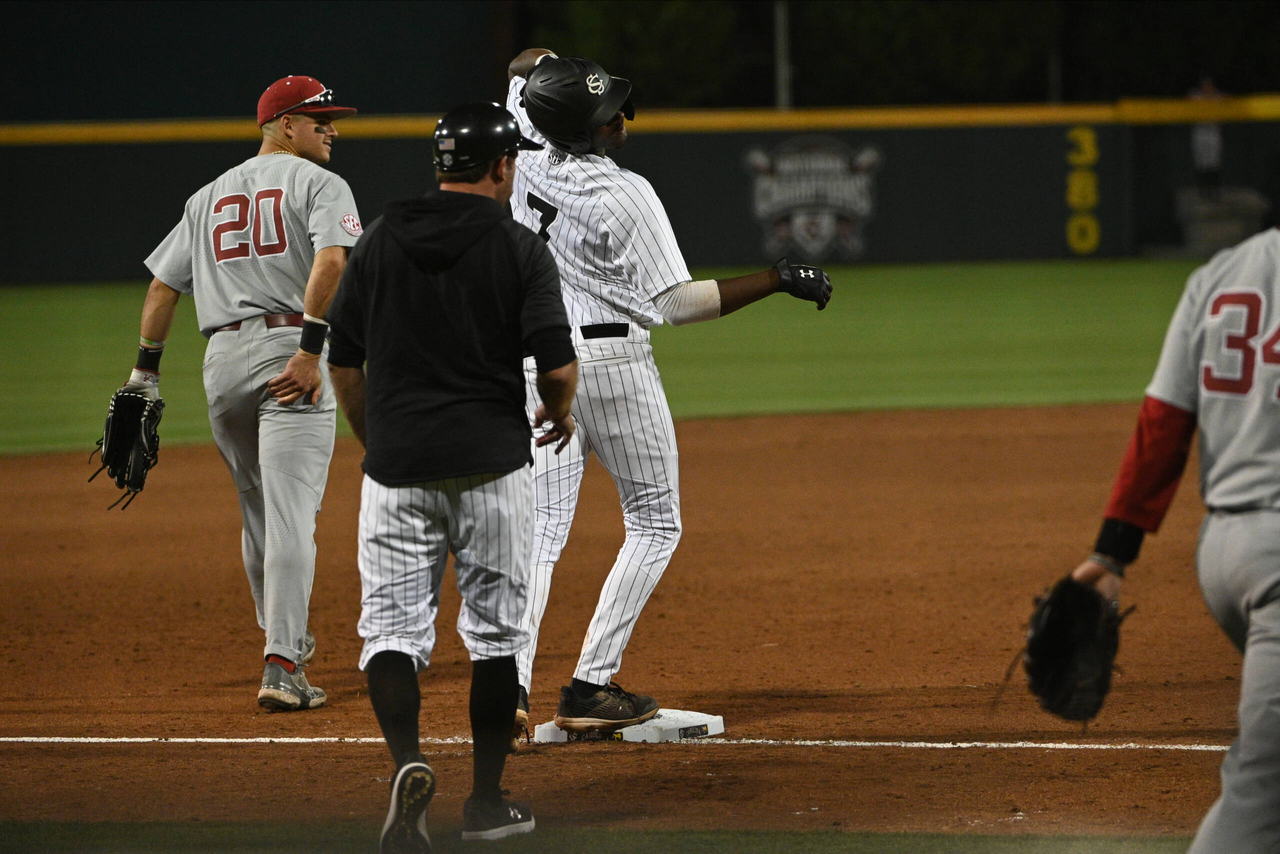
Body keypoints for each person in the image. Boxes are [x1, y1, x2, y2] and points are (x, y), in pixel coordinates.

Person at [504, 49, 834, 737]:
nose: (621, 115)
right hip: (614, 365)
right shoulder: (624, 194)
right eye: (605, 112)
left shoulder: (525, 145)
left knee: (540, 533)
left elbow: (523, 69)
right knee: (655, 523)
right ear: (584, 128)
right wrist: (775, 279)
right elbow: (679, 305)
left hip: (542, 362)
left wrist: (553, 71)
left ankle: (505, 687)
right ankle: (591, 684)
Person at [325, 102, 577, 852]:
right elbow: (557, 369)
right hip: (492, 466)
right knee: (497, 638)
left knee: (390, 635)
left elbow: (343, 361)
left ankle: (409, 766)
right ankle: (488, 802)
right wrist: (558, 413)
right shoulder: (519, 247)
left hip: (396, 468)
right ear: (501, 167)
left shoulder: (378, 239)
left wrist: (378, 437)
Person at [134, 75, 362, 711]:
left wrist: (143, 376)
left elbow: (161, 289)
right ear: (285, 125)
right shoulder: (321, 184)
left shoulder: (205, 196)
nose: (333, 129)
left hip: (221, 362)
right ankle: (283, 663)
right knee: (291, 512)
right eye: (321, 121)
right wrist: (312, 352)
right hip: (289, 350)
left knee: (256, 505)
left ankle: (280, 631)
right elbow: (333, 264)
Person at [1068, 227, 1280, 853]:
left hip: (1226, 554)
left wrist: (1112, 552)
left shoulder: (1221, 272)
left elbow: (1164, 422)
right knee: (1266, 780)